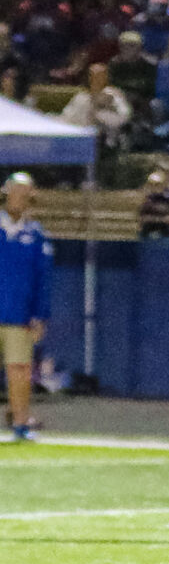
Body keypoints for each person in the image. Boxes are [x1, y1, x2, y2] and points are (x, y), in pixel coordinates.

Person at [0, 173, 52, 441]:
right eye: (15, 190)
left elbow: (42, 279)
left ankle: (20, 425)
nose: (19, 196)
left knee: (19, 371)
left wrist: (39, 315)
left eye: (25, 191)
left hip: (18, 315)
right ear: (6, 191)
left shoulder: (36, 234)